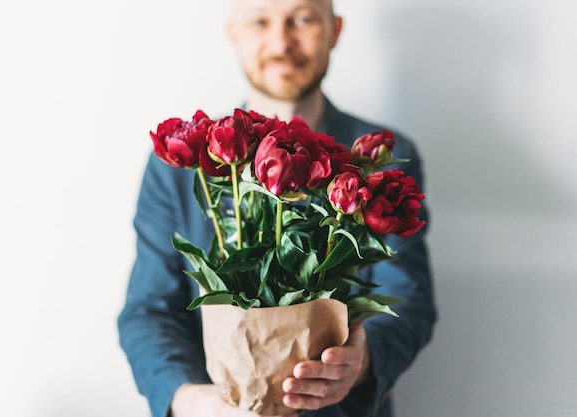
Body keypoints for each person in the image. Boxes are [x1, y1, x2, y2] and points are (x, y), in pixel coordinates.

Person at [117, 0, 437, 416]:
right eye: (260, 21)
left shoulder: (379, 160)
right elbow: (148, 310)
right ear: (234, 34)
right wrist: (191, 399)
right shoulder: (183, 167)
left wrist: (360, 360)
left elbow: (408, 299)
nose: (281, 41)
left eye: (302, 18)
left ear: (335, 29)